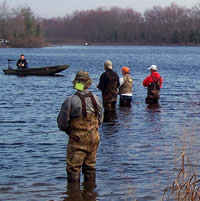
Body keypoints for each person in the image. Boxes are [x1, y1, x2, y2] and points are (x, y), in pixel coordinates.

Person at [57, 71, 103, 183]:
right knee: (90, 167)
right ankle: (91, 194)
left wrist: (70, 131)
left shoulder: (71, 100)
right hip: (94, 138)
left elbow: (62, 124)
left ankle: (73, 195)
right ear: (89, 83)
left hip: (77, 140)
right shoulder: (96, 99)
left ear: (76, 83)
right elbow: (100, 120)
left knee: (74, 169)